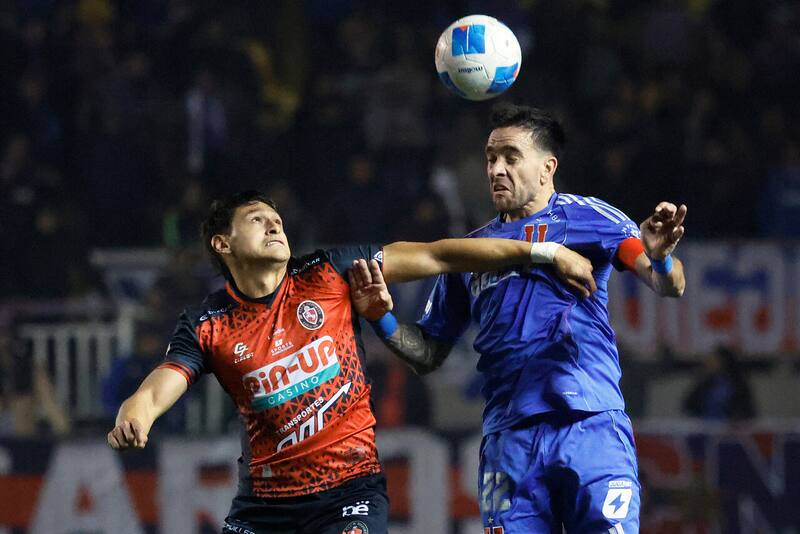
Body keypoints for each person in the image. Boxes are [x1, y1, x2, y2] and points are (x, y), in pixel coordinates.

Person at [106, 189, 596, 534]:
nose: (275, 223)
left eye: (276, 218)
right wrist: (137, 414)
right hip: (262, 509)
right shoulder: (209, 322)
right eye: (257, 218)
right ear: (222, 243)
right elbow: (160, 385)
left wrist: (543, 252)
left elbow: (439, 256)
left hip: (348, 492)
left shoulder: (329, 272)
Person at [353, 104, 687, 533]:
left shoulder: (590, 218)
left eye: (511, 157)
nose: (496, 169)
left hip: (589, 426)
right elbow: (427, 353)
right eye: (491, 158)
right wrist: (382, 319)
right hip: (508, 443)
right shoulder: (472, 251)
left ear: (547, 167)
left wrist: (659, 259)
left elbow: (668, 285)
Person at [683, 345, 755, 421]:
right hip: (704, 427)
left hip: (730, 428)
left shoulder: (738, 384)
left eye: (713, 361)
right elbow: (688, 405)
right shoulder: (704, 382)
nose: (708, 363)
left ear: (723, 362)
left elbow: (747, 409)